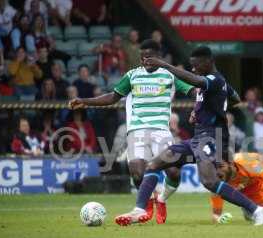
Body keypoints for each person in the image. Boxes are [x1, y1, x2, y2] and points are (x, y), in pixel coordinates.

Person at [110, 46, 263, 227]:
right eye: (191, 66)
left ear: (208, 62)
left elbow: (195, 80)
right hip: (197, 138)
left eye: (196, 66)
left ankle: (257, 210)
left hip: (210, 138)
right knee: (155, 163)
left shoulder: (214, 80)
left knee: (209, 181)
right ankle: (140, 209)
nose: (193, 69)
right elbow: (235, 98)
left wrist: (164, 65)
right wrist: (206, 110)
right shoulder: (219, 84)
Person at [68, 39, 196, 224]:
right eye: (142, 56)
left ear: (158, 56)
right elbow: (112, 97)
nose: (145, 60)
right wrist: (85, 101)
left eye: (149, 56)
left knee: (174, 172)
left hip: (161, 130)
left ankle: (161, 199)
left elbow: (192, 91)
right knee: (137, 173)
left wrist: (198, 108)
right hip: (137, 129)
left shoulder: (169, 75)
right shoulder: (132, 76)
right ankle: (149, 199)